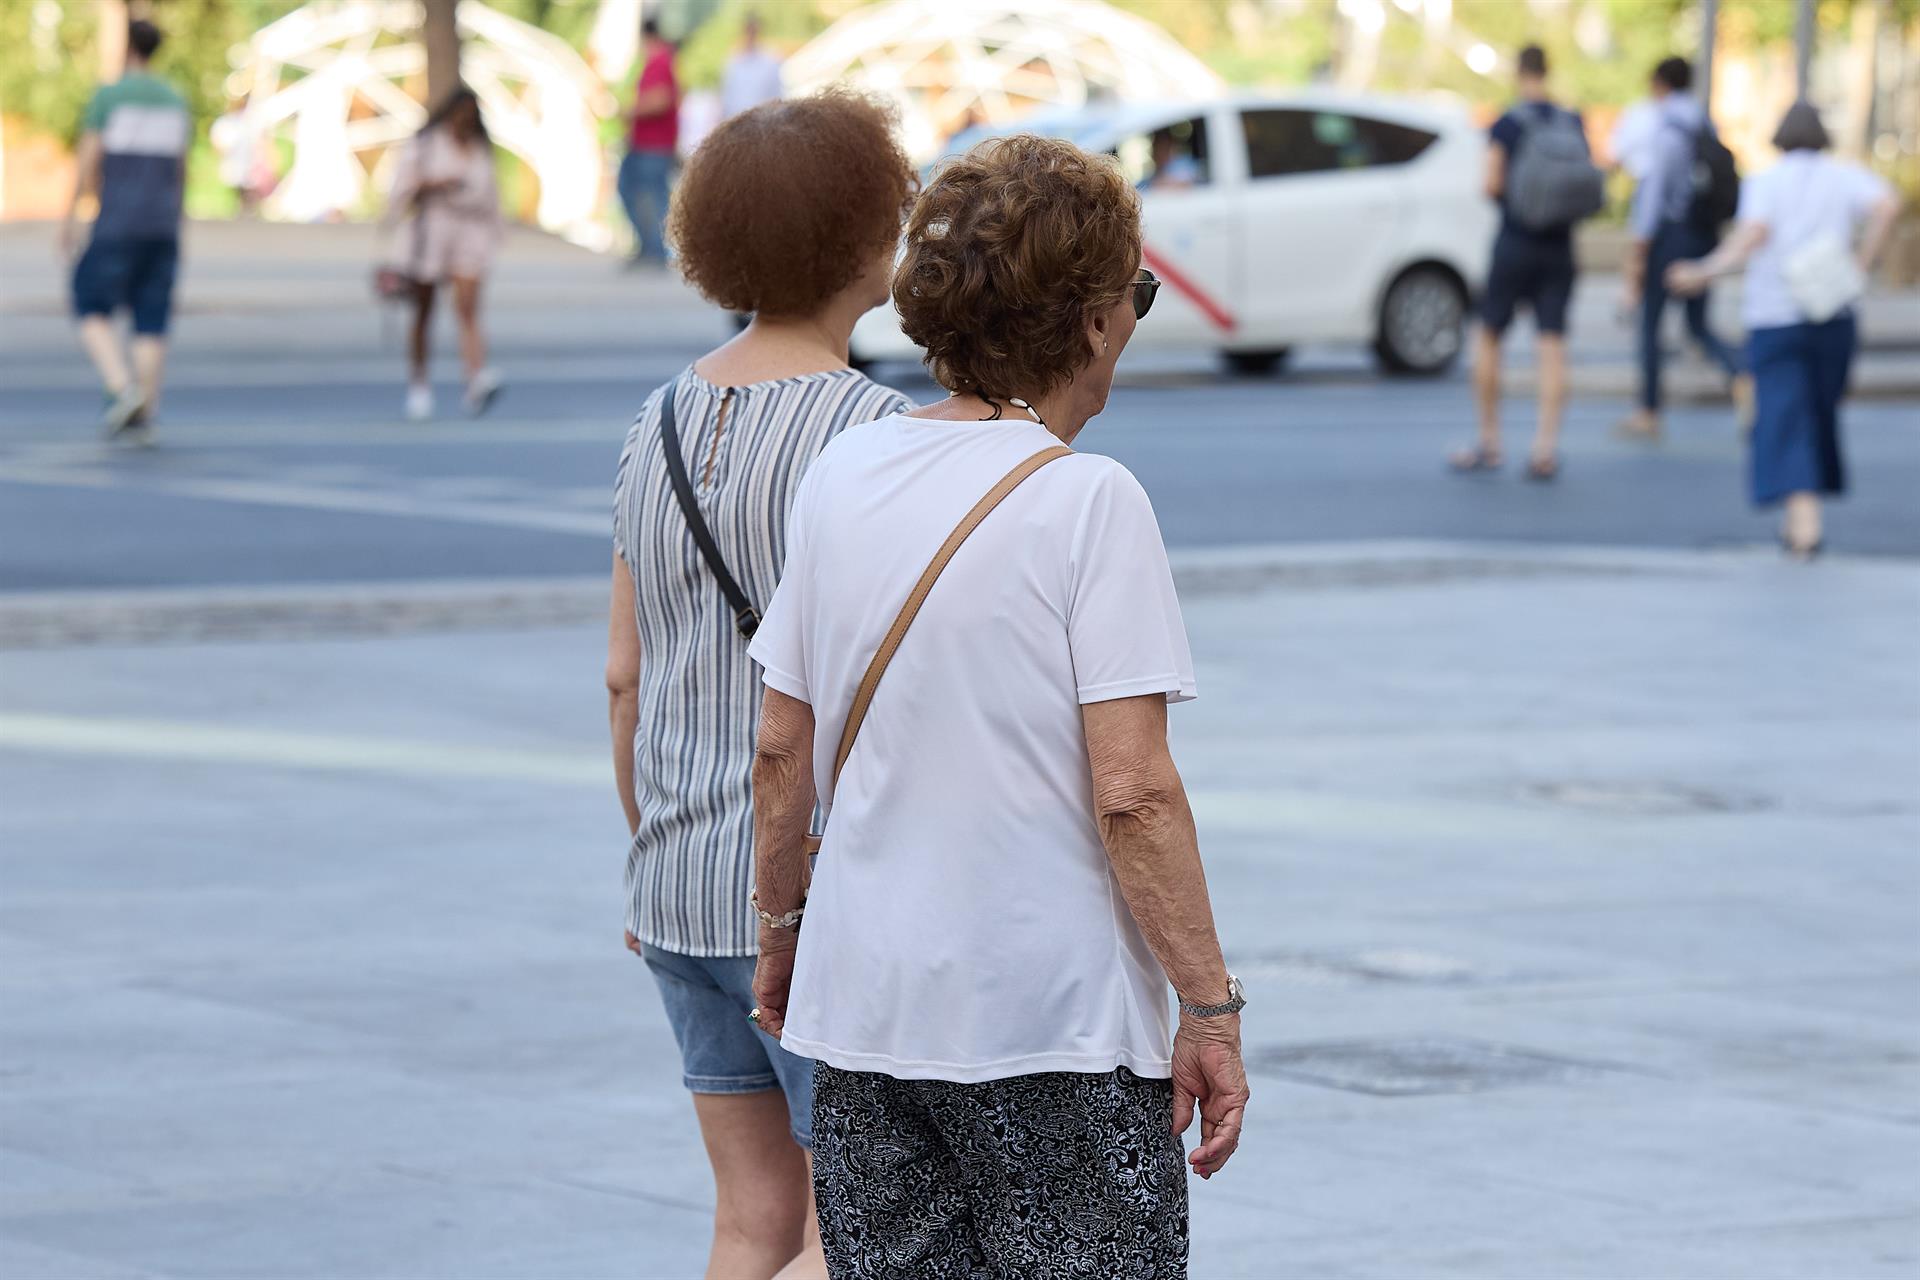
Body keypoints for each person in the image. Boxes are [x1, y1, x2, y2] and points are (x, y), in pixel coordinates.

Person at [746, 134, 1249, 1278]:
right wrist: (1211, 1008)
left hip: (870, 1019)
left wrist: (780, 933)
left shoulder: (845, 475)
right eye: (1136, 294)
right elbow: (1132, 792)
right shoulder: (1091, 502)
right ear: (1088, 321)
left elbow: (781, 750)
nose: (1132, 320)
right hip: (1055, 1028)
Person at [605, 90, 917, 1280]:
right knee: (858, 1238)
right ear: (868, 242)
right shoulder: (877, 431)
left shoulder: (658, 420)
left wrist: (652, 845)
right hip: (812, 899)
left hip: (677, 883)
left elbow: (624, 678)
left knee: (750, 1220)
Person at [1666, 102, 1900, 559]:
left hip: (1776, 315)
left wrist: (1704, 270)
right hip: (1834, 311)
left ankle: (1805, 524)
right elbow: (1887, 207)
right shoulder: (1842, 175)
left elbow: (1751, 237)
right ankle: (1801, 522)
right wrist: (1861, 262)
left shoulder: (1767, 182)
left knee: (1783, 416)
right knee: (1816, 412)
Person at [1452, 44, 1587, 481]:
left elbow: (1491, 182)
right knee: (1552, 347)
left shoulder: (1508, 124)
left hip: (1515, 242)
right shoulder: (1572, 121)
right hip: (1560, 247)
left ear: (1518, 71)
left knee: (1489, 336)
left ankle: (1490, 441)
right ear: (1548, 71)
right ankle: (1544, 447)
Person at [60, 19, 189, 444]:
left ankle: (121, 386)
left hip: (118, 221)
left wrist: (71, 217)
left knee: (88, 299)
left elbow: (87, 161)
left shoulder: (110, 97)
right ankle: (145, 411)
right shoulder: (174, 99)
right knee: (151, 317)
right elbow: (181, 170)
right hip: (163, 223)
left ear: (125, 45)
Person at [1621, 56, 1750, 439]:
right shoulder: (1703, 122)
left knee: (1650, 324)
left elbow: (1654, 193)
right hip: (1704, 234)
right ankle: (1742, 370)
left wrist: (1639, 247)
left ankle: (1648, 410)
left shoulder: (1667, 130)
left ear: (1659, 84)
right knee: (1697, 325)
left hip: (1671, 236)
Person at [383, 86, 504, 422]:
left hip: (470, 233)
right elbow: (401, 190)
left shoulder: (479, 149)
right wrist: (435, 184)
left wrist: (496, 235)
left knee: (468, 307)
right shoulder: (426, 145)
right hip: (432, 233)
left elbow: (491, 196)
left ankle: (476, 377)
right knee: (424, 311)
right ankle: (419, 384)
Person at [619, 18, 679, 268]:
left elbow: (662, 100)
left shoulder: (660, 61)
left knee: (651, 196)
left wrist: (631, 111)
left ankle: (655, 249)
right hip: (644, 142)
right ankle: (649, 246)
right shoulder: (656, 62)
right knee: (633, 190)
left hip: (654, 144)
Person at [720, 14, 783, 121]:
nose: (751, 35)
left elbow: (777, 95)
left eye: (754, 31)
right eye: (749, 31)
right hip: (736, 122)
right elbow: (726, 96)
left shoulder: (771, 60)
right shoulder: (733, 61)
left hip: (763, 123)